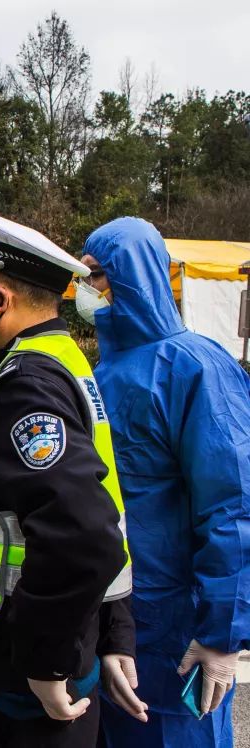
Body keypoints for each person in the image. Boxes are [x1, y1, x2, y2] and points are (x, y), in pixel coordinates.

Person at [0, 201, 133, 747]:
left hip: (15, 689)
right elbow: (104, 504)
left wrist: (47, 663)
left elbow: (85, 538)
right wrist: (116, 632)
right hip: (27, 667)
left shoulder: (27, 385)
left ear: (0, 301)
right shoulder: (62, 357)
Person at [78, 217, 250, 748]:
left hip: (178, 627)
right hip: (120, 617)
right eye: (84, 278)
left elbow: (234, 503)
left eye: (99, 277)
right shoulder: (102, 371)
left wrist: (222, 635)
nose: (87, 292)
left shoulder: (195, 367)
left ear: (134, 277)